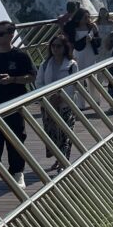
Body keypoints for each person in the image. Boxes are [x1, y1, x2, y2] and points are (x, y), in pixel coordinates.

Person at [0, 21, 36, 198]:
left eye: (1, 34)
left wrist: (13, 80)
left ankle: (17, 173)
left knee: (16, 139)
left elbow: (32, 76)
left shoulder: (20, 56)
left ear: (11, 35)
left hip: (14, 105)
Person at [34, 34, 79, 167]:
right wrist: (50, 97)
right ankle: (58, 158)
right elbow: (39, 82)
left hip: (67, 104)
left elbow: (74, 84)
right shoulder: (45, 63)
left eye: (58, 46)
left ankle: (63, 160)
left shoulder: (72, 65)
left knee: (66, 133)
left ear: (65, 48)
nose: (55, 49)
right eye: (53, 46)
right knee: (52, 134)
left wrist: (61, 97)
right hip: (49, 105)